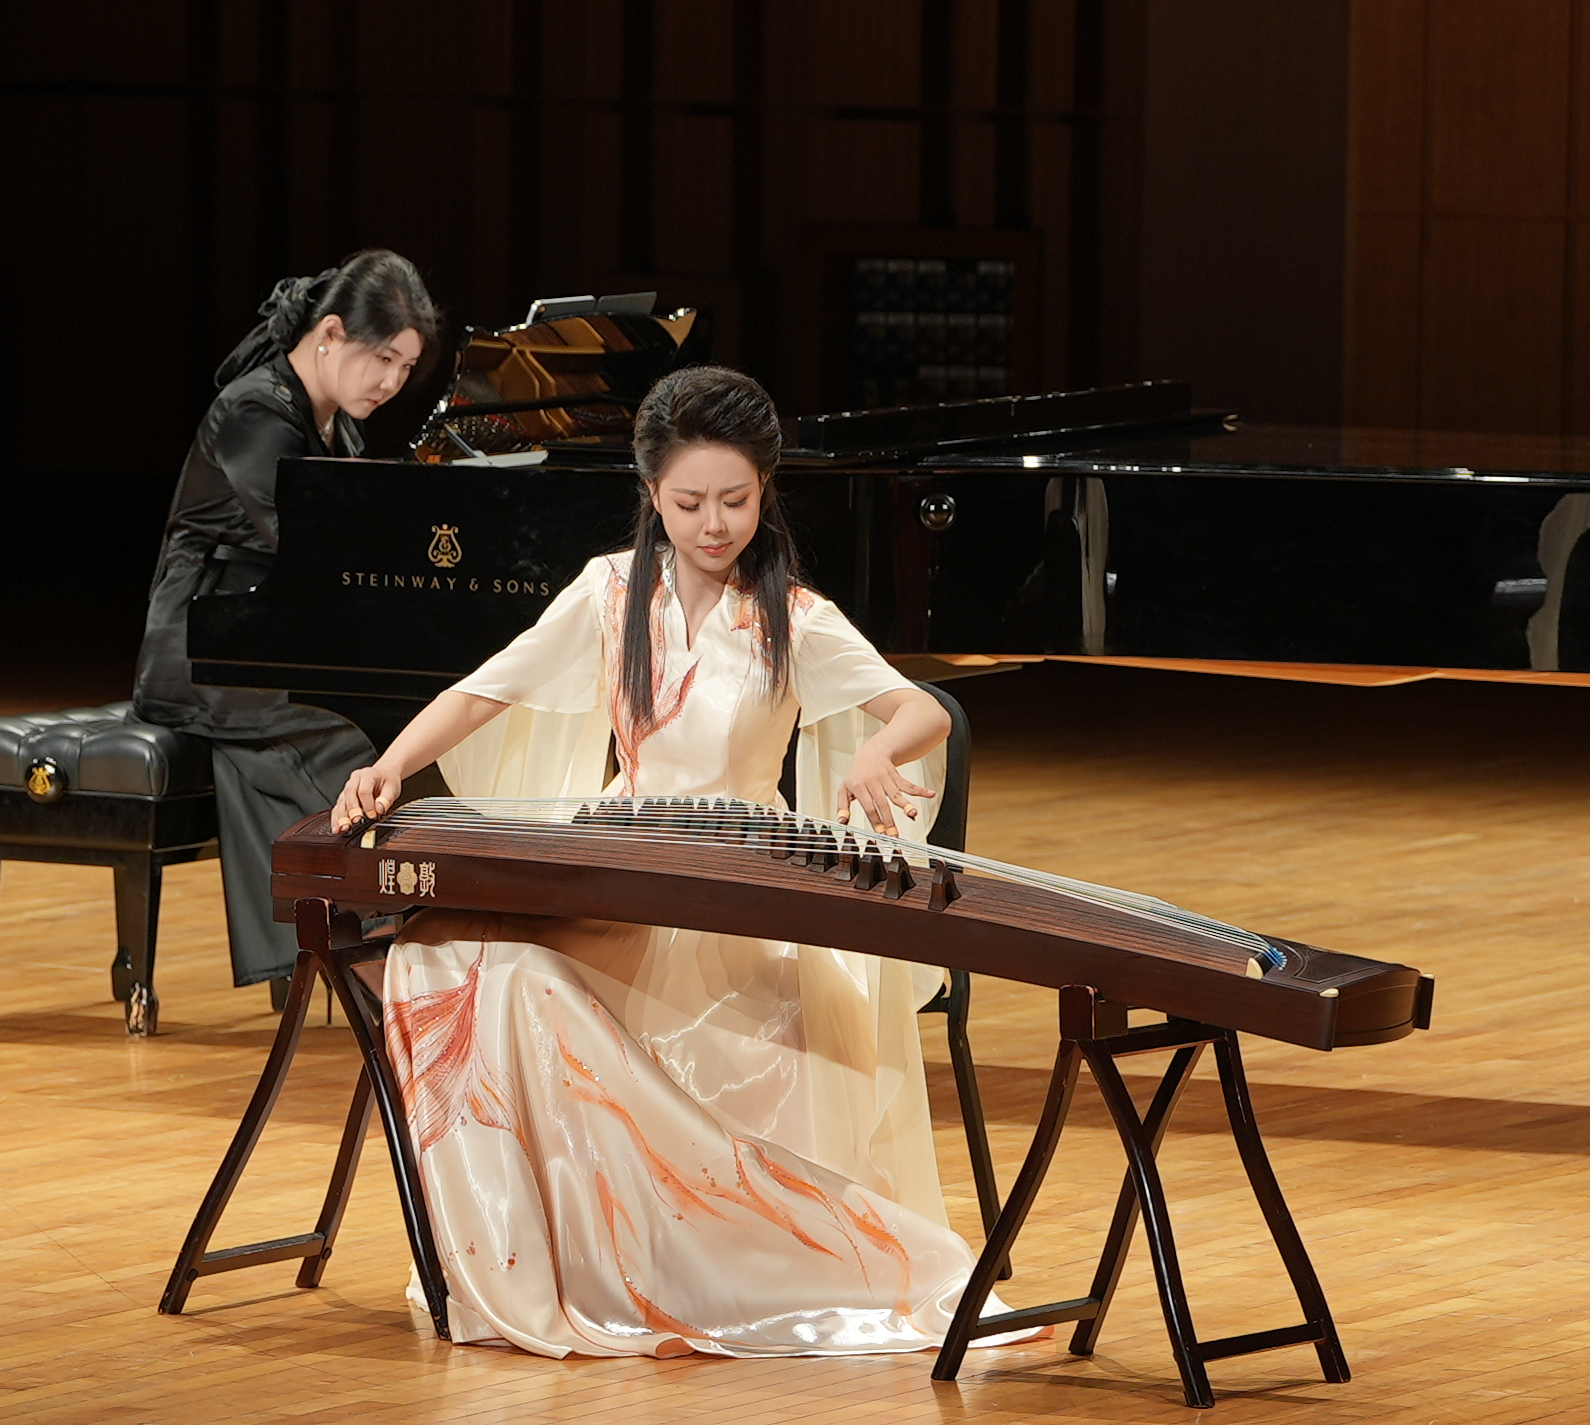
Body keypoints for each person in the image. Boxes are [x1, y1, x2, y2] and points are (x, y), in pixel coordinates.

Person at [331, 366, 1024, 1359]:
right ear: (651, 491)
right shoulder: (609, 590)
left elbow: (919, 709)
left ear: (764, 492)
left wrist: (877, 751)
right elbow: (488, 689)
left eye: (735, 500)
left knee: (553, 987)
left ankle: (695, 1261)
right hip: (619, 863)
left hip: (737, 882)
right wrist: (391, 767)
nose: (713, 524)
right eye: (689, 501)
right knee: (453, 956)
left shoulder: (793, 615)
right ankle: (564, 1251)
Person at [135, 249, 439, 999]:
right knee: (357, 741)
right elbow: (312, 549)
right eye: (383, 359)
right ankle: (369, 955)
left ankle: (397, 943)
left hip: (274, 647)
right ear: (330, 334)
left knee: (417, 732)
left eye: (406, 368)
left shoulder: (338, 424)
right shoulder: (254, 411)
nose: (392, 383)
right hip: (203, 652)